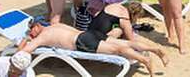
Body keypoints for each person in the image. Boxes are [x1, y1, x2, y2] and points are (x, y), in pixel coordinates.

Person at [19, 21, 167, 77]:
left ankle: (144, 59)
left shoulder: (42, 36)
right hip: (88, 34)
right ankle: (154, 49)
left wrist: (25, 41)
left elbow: (24, 51)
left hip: (83, 41)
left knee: (118, 50)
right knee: (124, 44)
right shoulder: (55, 25)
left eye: (30, 31)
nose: (30, 34)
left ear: (37, 27)